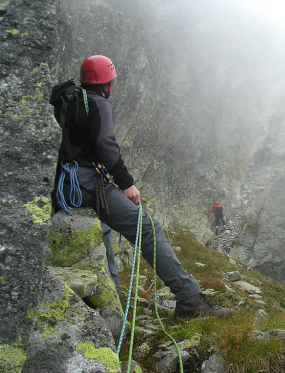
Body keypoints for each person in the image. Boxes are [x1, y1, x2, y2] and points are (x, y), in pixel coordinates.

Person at [50, 55, 231, 319]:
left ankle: (112, 303)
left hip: (65, 184)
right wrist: (126, 183)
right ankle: (189, 299)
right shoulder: (99, 104)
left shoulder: (70, 100)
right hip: (87, 182)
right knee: (148, 228)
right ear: (108, 83)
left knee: (102, 234)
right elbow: (106, 146)